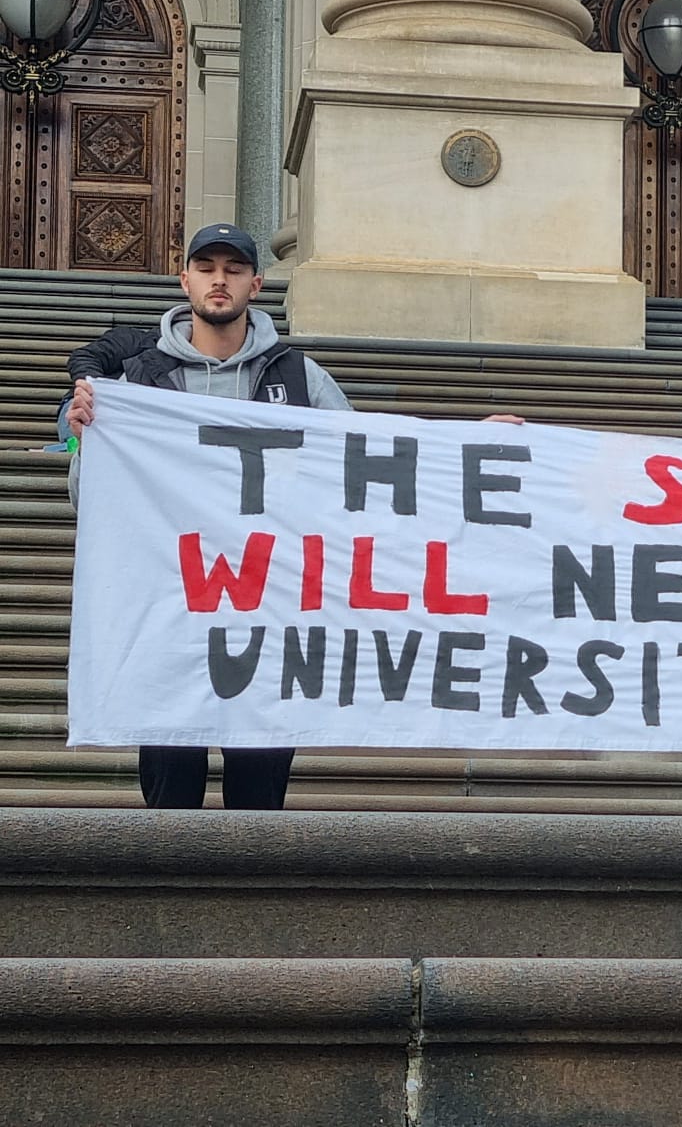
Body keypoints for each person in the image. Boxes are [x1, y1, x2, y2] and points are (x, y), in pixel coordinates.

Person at [61, 223, 520, 810]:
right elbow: (94, 502)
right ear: (185, 281)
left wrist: (459, 448)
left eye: (232, 269)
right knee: (170, 785)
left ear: (256, 283)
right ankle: (169, 903)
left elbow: (364, 462)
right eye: (206, 268)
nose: (219, 280)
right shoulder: (134, 382)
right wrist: (88, 444)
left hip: (270, 609)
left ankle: (254, 901)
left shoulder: (299, 376)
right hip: (171, 605)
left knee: (259, 790)